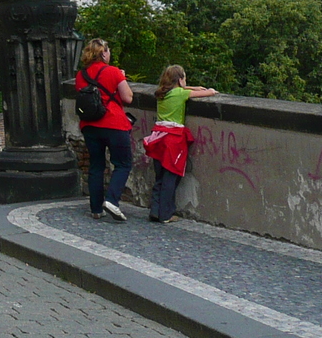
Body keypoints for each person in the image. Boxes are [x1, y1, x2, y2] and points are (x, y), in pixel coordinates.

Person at [144, 65, 217, 223]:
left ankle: (155, 210)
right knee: (172, 176)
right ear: (179, 80)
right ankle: (166, 214)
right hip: (173, 140)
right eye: (184, 78)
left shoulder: (162, 93)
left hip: (158, 138)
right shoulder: (181, 94)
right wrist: (208, 90)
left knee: (160, 176)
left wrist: (192, 86)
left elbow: (180, 88)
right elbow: (208, 93)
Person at [77, 38, 137, 221]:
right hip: (113, 124)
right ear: (103, 53)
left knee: (96, 166)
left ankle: (96, 209)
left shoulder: (81, 75)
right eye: (108, 51)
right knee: (123, 163)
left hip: (89, 125)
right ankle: (112, 200)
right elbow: (128, 98)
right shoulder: (113, 72)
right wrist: (122, 78)